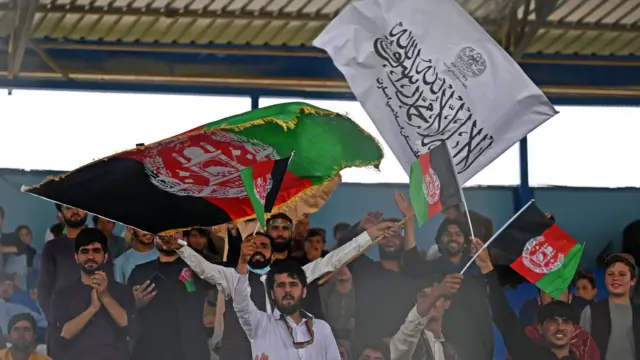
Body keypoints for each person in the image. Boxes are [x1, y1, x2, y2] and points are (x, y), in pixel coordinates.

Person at [163, 221, 391, 360]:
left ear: (273, 255)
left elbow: (330, 262)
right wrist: (181, 248)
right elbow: (203, 269)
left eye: (264, 246)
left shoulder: (288, 278)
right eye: (252, 245)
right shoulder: (232, 276)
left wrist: (369, 236)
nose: (258, 249)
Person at [233, 236, 339, 359]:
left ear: (304, 291)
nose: (287, 290)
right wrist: (242, 263)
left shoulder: (322, 329)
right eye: (281, 285)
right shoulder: (260, 325)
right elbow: (241, 302)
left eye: (293, 284)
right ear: (272, 294)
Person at [474, 237, 579, 360]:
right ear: (540, 328)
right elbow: (506, 320)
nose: (560, 327)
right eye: (552, 320)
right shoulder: (530, 355)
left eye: (566, 321)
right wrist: (487, 268)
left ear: (574, 329)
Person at [50, 228, 136, 360]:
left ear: (105, 256)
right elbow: (63, 335)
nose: (90, 256)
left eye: (96, 251)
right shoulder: (63, 294)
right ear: (76, 257)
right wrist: (92, 309)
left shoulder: (122, 291)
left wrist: (105, 297)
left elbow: (129, 328)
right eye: (84, 251)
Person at [128, 234, 213, 360]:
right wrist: (135, 303)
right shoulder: (140, 272)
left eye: (174, 232)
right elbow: (124, 314)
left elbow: (230, 270)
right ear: (154, 238)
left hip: (191, 351)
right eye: (162, 233)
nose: (168, 236)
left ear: (184, 239)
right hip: (149, 351)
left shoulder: (198, 269)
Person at [580, 253, 639, 360]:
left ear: (633, 280)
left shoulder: (638, 313)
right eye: (610, 274)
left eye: (622, 274)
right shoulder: (591, 311)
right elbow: (581, 350)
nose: (615, 278)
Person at [390, 275, 462, 360]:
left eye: (437, 298)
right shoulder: (405, 341)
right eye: (424, 296)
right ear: (416, 304)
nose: (431, 301)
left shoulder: (451, 351)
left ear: (447, 303)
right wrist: (436, 293)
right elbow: (411, 327)